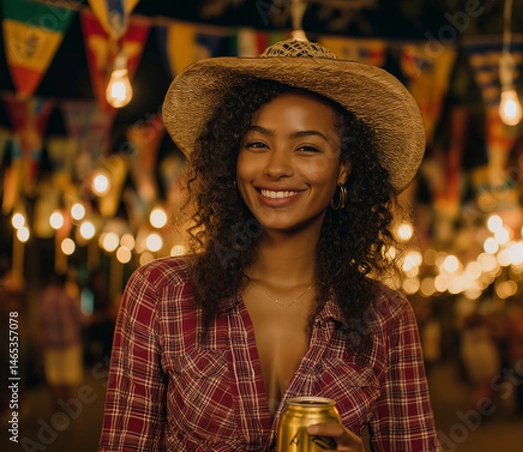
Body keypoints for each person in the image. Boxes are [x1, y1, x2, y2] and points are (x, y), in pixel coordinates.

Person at [100, 37, 440, 451]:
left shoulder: (386, 318)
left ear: (345, 168)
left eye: (307, 148)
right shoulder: (160, 293)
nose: (277, 167)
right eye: (258, 144)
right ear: (233, 158)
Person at [38, 269, 86, 413]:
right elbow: (82, 318)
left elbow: (40, 320)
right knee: (69, 379)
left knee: (54, 379)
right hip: (69, 343)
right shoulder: (69, 297)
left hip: (51, 344)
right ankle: (68, 411)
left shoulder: (46, 297)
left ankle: (56, 410)